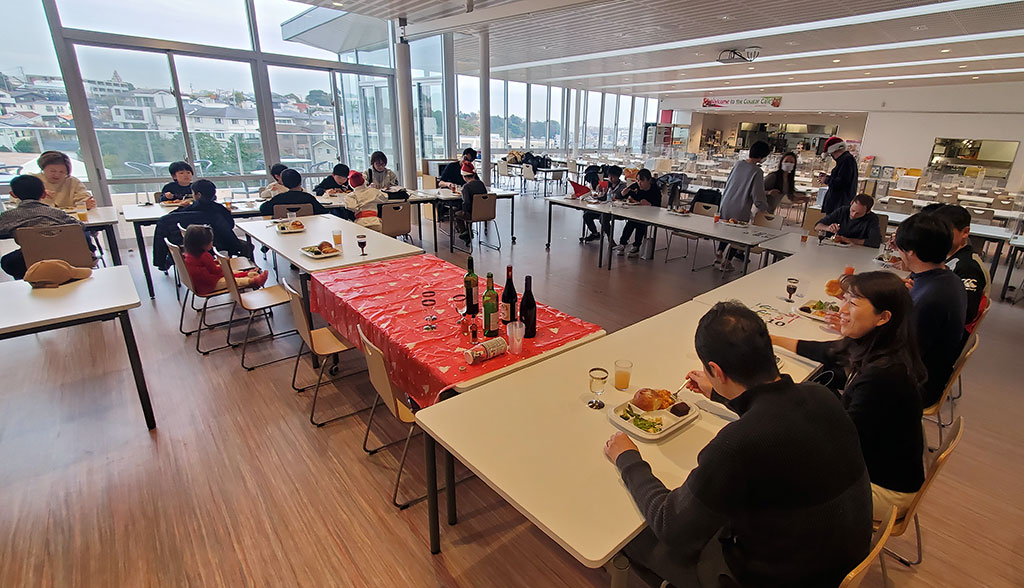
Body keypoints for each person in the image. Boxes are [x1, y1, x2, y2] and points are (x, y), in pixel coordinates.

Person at [604, 301, 871, 588]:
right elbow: (774, 412)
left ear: (716, 371)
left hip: (778, 578)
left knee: (628, 533)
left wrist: (629, 458)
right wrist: (722, 395)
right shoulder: (822, 395)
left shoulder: (738, 443)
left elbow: (672, 527)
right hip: (839, 561)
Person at [771, 272, 926, 521]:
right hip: (879, 467)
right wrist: (773, 339)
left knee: (772, 466)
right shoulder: (881, 346)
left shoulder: (884, 376)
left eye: (852, 303)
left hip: (883, 489)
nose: (841, 309)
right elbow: (831, 352)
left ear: (883, 317)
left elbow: (840, 444)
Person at [894, 213, 967, 408]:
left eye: (898, 247)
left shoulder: (930, 299)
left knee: (818, 375)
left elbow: (897, 356)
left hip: (912, 387)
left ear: (911, 252)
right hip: (927, 372)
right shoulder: (947, 279)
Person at [0, 175, 86, 279]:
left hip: (32, 261)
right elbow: (79, 227)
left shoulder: (8, 216)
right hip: (67, 258)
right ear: (44, 194)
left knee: (8, 261)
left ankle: (32, 279)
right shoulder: (56, 213)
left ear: (13, 195)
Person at [927, 204, 990, 327]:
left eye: (946, 231)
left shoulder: (968, 267)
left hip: (946, 335)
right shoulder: (950, 258)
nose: (938, 236)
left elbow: (965, 314)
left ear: (965, 232)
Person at [715, 141, 772, 270]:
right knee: (737, 236)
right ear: (762, 156)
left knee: (725, 230)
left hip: (726, 202)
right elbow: (757, 194)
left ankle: (719, 253)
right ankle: (727, 262)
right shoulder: (757, 171)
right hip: (740, 207)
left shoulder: (738, 164)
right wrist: (764, 209)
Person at [181, 225, 267, 296]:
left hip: (198, 283)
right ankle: (253, 280)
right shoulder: (204, 256)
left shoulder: (188, 254)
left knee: (229, 272)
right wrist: (223, 265)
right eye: (210, 242)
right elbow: (215, 271)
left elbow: (210, 268)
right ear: (202, 244)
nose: (212, 244)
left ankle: (248, 274)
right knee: (233, 281)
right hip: (209, 284)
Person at [613, 168, 660, 258]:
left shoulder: (655, 190)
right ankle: (623, 243)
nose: (639, 183)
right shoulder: (635, 186)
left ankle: (636, 246)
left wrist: (650, 204)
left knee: (639, 223)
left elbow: (659, 205)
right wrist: (622, 194)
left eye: (642, 181)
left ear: (649, 181)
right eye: (638, 180)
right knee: (631, 222)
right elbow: (621, 195)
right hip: (635, 213)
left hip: (649, 215)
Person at [30, 151, 95, 210]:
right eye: (52, 171)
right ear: (43, 168)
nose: (57, 175)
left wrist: (85, 203)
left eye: (62, 172)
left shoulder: (73, 182)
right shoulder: (32, 181)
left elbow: (83, 197)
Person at [813, 193, 882, 248]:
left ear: (868, 211)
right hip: (833, 249)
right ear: (851, 203)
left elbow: (875, 242)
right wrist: (828, 228)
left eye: (858, 213)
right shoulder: (842, 211)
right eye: (852, 210)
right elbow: (817, 226)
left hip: (856, 252)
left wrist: (847, 240)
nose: (853, 215)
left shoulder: (872, 219)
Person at [582, 165, 625, 242]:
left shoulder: (622, 186)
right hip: (604, 208)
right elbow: (603, 198)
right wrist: (600, 193)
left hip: (615, 210)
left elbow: (619, 197)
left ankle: (610, 239)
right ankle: (595, 233)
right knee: (587, 215)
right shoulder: (607, 184)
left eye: (613, 177)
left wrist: (608, 193)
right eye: (609, 176)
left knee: (603, 218)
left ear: (618, 177)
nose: (610, 179)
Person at [259, 169, 328, 217]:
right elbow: (323, 212)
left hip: (284, 228)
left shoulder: (279, 198)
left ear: (284, 184)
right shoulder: (308, 197)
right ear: (300, 182)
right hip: (307, 227)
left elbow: (263, 209)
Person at [818, 136, 859, 215]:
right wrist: (828, 177)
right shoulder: (846, 161)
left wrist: (826, 180)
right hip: (839, 203)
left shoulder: (846, 161)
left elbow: (841, 183)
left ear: (834, 150)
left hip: (839, 203)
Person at [455, 165, 489, 244]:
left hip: (472, 214)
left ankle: (465, 233)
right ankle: (468, 232)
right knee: (466, 212)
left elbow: (466, 203)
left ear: (464, 176)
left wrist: (463, 209)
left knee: (456, 213)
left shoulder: (466, 187)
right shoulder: (481, 184)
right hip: (485, 213)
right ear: (474, 175)